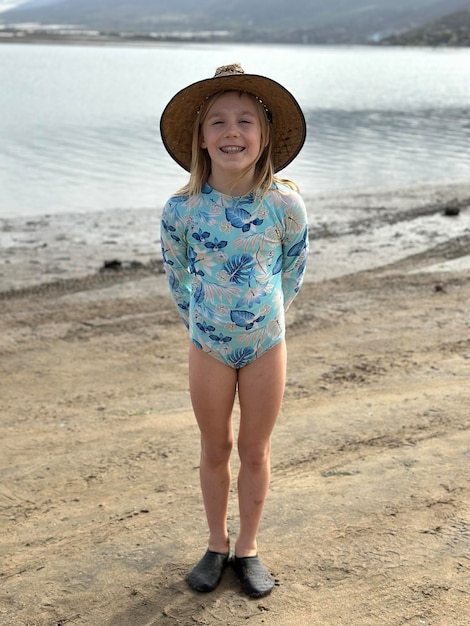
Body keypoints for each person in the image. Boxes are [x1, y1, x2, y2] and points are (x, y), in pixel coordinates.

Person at [159, 63, 308, 598]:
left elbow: (293, 268)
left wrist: (268, 316)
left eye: (245, 121)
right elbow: (177, 277)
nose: (232, 132)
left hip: (268, 343)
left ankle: (247, 548)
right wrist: (204, 326)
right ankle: (215, 542)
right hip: (208, 346)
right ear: (201, 138)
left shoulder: (284, 204)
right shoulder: (182, 209)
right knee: (215, 446)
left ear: (264, 135)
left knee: (255, 448)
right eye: (218, 122)